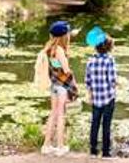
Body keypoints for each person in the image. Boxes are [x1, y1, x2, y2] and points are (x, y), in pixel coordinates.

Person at [41, 20, 78, 156]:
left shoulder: (49, 48)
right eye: (67, 33)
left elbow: (55, 67)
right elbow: (66, 70)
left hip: (54, 86)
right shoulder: (60, 51)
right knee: (61, 115)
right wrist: (74, 86)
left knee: (53, 114)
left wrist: (71, 34)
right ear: (64, 36)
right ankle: (60, 147)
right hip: (62, 87)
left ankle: (46, 146)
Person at [85, 27, 117, 159]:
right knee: (106, 125)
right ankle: (106, 152)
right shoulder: (110, 60)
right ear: (109, 47)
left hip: (96, 98)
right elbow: (112, 80)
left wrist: (90, 95)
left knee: (95, 123)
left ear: (96, 47)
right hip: (108, 98)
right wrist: (120, 84)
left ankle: (93, 151)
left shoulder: (90, 61)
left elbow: (88, 81)